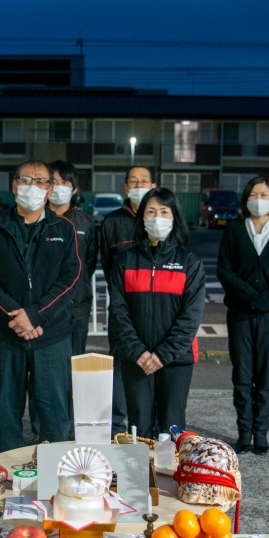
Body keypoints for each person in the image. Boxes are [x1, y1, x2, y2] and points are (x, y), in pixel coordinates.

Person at [0, 159, 81, 452]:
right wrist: (17, 318)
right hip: (8, 336)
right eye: (26, 180)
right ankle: (9, 476)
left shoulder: (64, 228)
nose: (32, 187)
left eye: (41, 182)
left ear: (49, 190)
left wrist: (34, 316)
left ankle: (55, 476)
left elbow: (70, 278)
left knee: (55, 414)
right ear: (14, 185)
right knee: (7, 413)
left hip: (52, 336)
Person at [108, 188, 205, 439]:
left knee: (172, 429)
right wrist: (138, 352)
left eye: (164, 212)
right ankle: (141, 478)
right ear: (141, 219)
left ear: (175, 218)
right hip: (135, 360)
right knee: (139, 428)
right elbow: (118, 313)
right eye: (150, 211)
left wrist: (162, 354)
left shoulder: (189, 262)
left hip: (176, 360)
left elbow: (191, 317)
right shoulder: (125, 260)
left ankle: (170, 477)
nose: (157, 217)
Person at [217, 176, 269, 455]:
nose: (258, 200)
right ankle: (244, 432)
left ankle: (260, 433)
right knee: (242, 375)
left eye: (263, 194)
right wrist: (252, 298)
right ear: (245, 200)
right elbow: (225, 271)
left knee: (266, 377)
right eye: (252, 195)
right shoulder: (234, 231)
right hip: (240, 313)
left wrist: (265, 302)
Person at [98, 166, 156, 436]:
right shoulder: (112, 222)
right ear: (125, 187)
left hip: (156, 309)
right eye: (133, 180)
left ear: (153, 185)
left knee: (153, 364)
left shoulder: (160, 218)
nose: (138, 184)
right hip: (122, 309)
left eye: (143, 180)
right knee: (121, 367)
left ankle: (150, 428)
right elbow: (110, 268)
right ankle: (118, 427)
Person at [48, 160, 96, 356]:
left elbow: (89, 264)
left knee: (74, 365)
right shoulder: (37, 219)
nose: (58, 187)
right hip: (45, 308)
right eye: (54, 181)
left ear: (74, 189)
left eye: (64, 183)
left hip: (77, 307)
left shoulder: (85, 223)